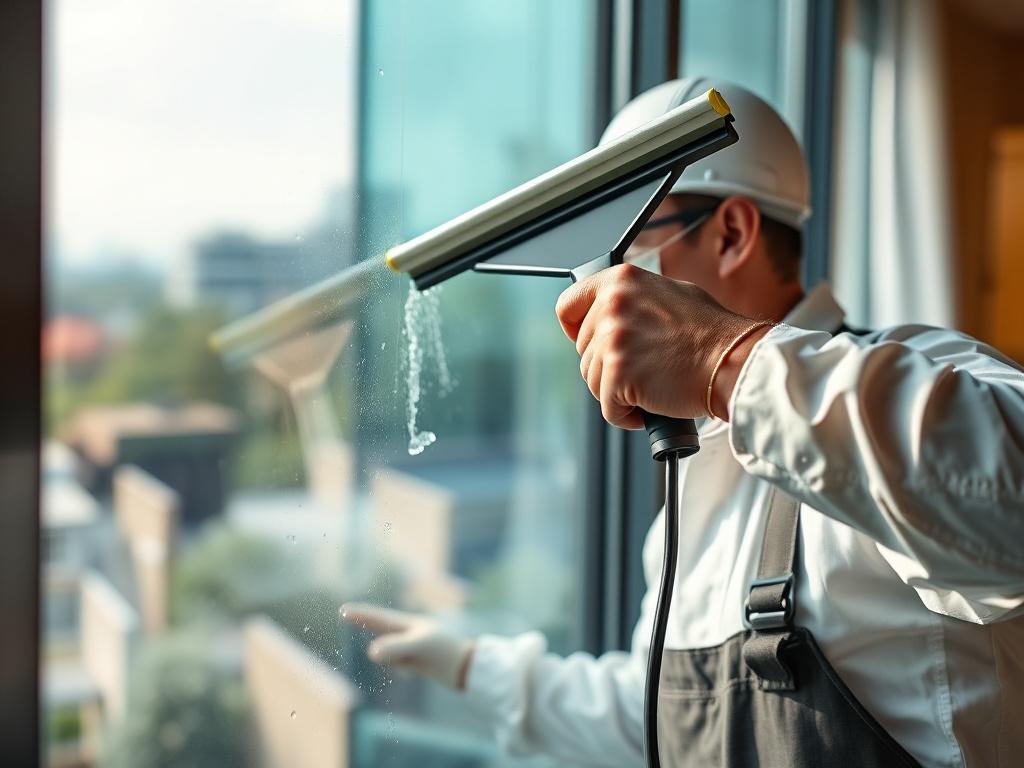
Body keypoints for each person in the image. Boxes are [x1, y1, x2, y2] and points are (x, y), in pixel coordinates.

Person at [342, 78, 1024, 767]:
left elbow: (1010, 501)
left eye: (620, 246)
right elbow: (654, 720)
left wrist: (718, 358)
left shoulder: (922, 371)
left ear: (731, 234)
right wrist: (470, 666)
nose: (595, 285)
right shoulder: (700, 472)